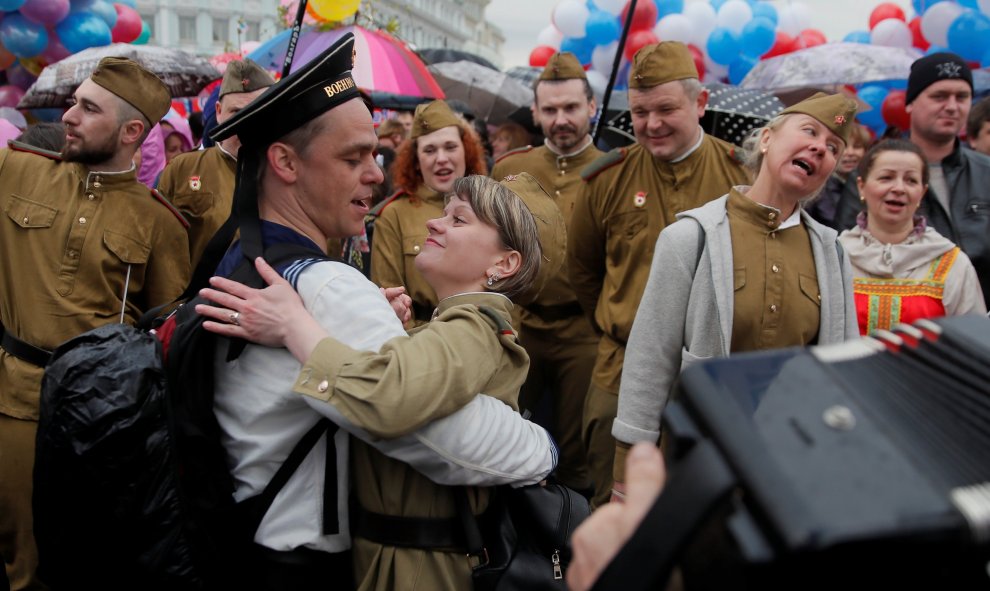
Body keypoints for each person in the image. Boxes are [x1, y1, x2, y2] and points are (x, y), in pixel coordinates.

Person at [194, 34, 559, 590]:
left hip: (248, 542)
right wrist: (545, 445)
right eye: (353, 156)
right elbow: (443, 437)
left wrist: (393, 328)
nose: (376, 173)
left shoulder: (249, 253)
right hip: (304, 564)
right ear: (285, 162)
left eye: (375, 154)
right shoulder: (328, 289)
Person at [0, 57, 190, 591]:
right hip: (13, 402)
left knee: (89, 561)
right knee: (20, 557)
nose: (69, 116)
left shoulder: (159, 223)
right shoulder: (16, 170)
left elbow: (165, 337)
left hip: (101, 421)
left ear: (132, 132)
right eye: (73, 102)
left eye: (88, 108)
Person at [613, 93, 860, 498]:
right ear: (766, 139)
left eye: (833, 147)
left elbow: (842, 373)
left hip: (792, 469)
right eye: (810, 132)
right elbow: (650, 361)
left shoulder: (832, 254)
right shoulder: (690, 238)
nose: (821, 147)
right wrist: (627, 473)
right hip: (700, 462)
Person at [567, 41, 750, 508]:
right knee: (614, 506)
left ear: (701, 102)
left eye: (666, 109)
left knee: (706, 506)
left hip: (714, 373)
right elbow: (584, 271)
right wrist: (623, 324)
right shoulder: (606, 179)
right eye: (640, 112)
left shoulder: (744, 177)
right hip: (620, 371)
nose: (650, 124)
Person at [490, 51, 603, 494]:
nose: (561, 119)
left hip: (585, 331)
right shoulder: (509, 169)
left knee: (579, 451)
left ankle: (574, 540)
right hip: (521, 326)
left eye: (571, 107)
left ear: (591, 107)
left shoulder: (612, 173)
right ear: (535, 112)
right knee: (505, 434)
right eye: (550, 109)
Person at [838, 139, 986, 335]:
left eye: (911, 180)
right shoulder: (835, 255)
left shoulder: (951, 263)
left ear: (922, 192)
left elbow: (973, 342)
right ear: (861, 186)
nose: (899, 188)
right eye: (886, 177)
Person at [881, 53, 990, 307]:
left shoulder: (986, 172)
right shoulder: (876, 174)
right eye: (939, 96)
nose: (952, 106)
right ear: (910, 103)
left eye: (962, 97)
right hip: (908, 330)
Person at [371, 100, 487, 325]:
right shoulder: (393, 215)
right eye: (430, 150)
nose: (441, 158)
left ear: (466, 151)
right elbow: (391, 304)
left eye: (450, 147)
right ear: (415, 161)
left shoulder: (489, 207)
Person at [157, 58, 275, 269]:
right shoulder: (183, 169)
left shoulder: (287, 173)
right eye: (236, 113)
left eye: (257, 112)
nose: (246, 124)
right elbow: (160, 252)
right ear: (219, 112)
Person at [806, 121, 869, 229]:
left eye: (857, 146)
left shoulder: (871, 186)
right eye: (844, 147)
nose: (850, 153)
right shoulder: (815, 188)